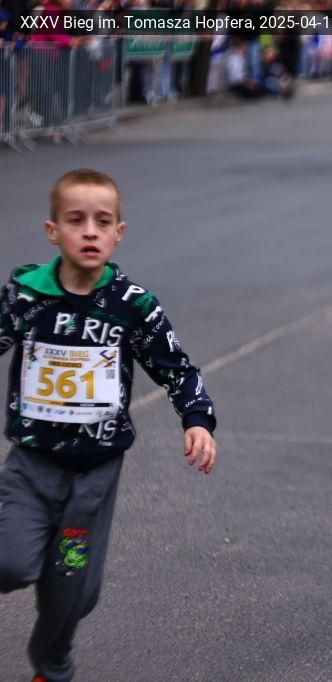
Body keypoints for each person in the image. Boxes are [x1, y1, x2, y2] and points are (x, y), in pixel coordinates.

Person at [0, 169, 217, 682]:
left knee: (73, 589)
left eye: (102, 222)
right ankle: (39, 555)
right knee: (10, 563)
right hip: (32, 463)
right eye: (76, 220)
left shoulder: (132, 305)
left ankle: (52, 665)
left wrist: (197, 420)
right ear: (53, 230)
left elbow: (176, 367)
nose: (90, 232)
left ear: (118, 233)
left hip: (93, 474)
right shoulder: (27, 295)